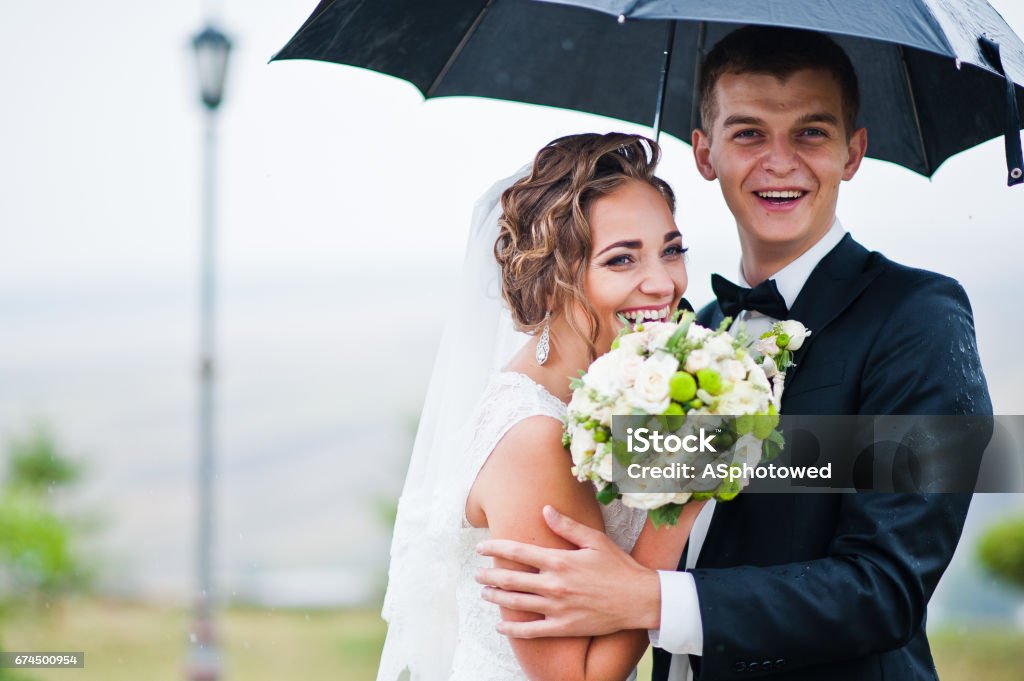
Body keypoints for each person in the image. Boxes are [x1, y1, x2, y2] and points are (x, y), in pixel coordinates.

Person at [476, 26, 992, 681]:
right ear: (704, 151)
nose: (780, 161)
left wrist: (648, 597)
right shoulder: (679, 342)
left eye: (810, 132)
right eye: (748, 132)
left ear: (853, 151)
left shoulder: (918, 317)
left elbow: (886, 587)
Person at [376, 132, 707, 681]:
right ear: (555, 281)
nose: (663, 282)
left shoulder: (613, 390)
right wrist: (683, 503)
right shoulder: (531, 437)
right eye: (622, 259)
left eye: (671, 249)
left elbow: (868, 462)